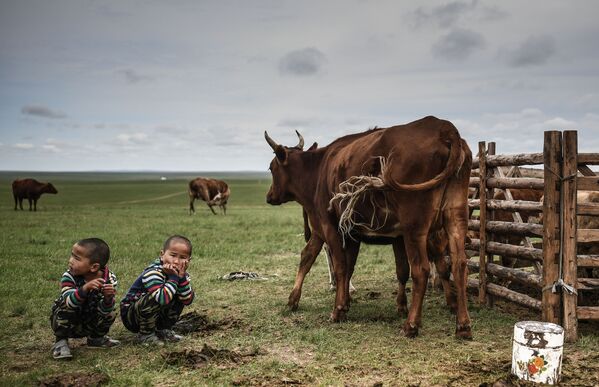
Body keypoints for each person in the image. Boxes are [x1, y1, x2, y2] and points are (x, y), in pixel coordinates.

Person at [50, 238, 120, 360]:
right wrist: (84, 289)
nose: (70, 261)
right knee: (64, 304)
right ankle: (60, 342)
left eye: (76, 258)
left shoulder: (109, 279)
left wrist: (108, 299)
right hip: (69, 323)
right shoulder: (69, 277)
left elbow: (104, 311)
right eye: (72, 256)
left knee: (112, 310)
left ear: (94, 267)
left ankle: (96, 338)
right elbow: (70, 303)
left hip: (89, 321)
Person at [120, 235, 194, 345]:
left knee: (179, 293)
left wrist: (181, 278)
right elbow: (162, 299)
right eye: (173, 255)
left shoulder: (181, 274)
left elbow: (187, 300)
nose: (176, 261)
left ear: (188, 260)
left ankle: (163, 329)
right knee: (158, 296)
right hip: (133, 316)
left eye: (183, 258)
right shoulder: (153, 272)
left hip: (155, 314)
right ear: (162, 254)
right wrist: (173, 278)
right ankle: (146, 335)